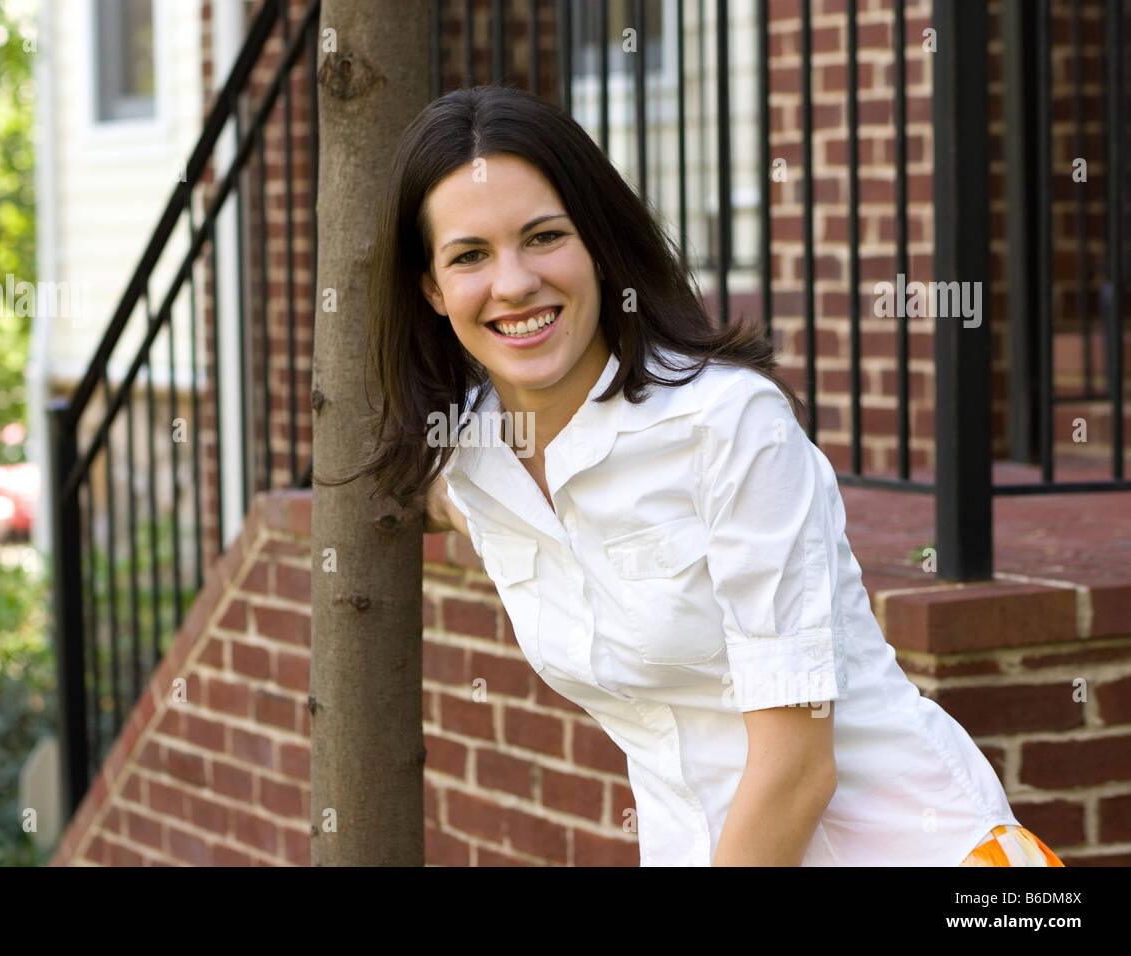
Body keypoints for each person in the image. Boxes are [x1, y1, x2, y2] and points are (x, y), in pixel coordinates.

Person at [322, 84, 1064, 867]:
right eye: (470, 255)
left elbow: (796, 769)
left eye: (543, 237)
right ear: (433, 289)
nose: (512, 284)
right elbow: (458, 500)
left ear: (600, 246)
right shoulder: (473, 459)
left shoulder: (730, 426)